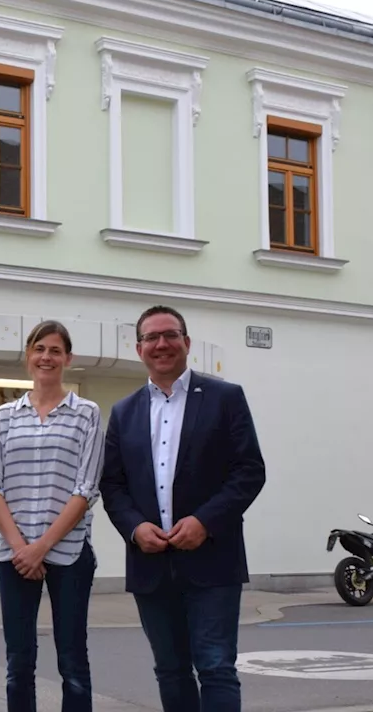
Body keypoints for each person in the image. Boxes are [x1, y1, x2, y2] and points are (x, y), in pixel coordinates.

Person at [98, 305, 266, 712]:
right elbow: (112, 485)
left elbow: (249, 470)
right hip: (151, 565)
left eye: (170, 335)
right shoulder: (124, 412)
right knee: (170, 670)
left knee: (215, 667)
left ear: (186, 342)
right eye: (151, 338)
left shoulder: (225, 397)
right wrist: (136, 528)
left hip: (212, 560)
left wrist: (205, 522)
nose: (161, 344)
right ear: (138, 348)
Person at [0, 320, 105, 712]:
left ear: (68, 359)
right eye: (39, 349)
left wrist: (43, 547)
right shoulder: (4, 415)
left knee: (72, 659)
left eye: (54, 350)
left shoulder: (86, 413)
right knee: (19, 662)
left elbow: (86, 489)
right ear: (28, 358)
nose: (46, 357)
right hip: (14, 557)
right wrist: (22, 548)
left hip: (67, 554)